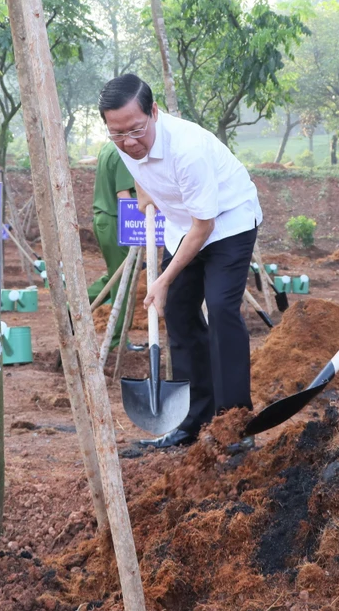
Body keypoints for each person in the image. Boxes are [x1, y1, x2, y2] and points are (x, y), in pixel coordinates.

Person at [98, 73, 262, 449]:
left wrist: (163, 279)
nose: (130, 142)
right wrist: (145, 197)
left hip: (227, 223)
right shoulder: (124, 136)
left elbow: (204, 227)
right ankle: (192, 420)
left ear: (153, 112)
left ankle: (234, 422)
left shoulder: (188, 149)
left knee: (221, 308)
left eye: (137, 130)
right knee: (179, 315)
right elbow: (138, 166)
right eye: (118, 134)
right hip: (180, 226)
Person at [87, 142, 140, 350]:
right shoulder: (123, 153)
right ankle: (117, 341)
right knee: (123, 281)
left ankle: (75, 307)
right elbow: (124, 195)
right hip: (118, 220)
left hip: (107, 219)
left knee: (116, 275)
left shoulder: (109, 148)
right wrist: (140, 227)